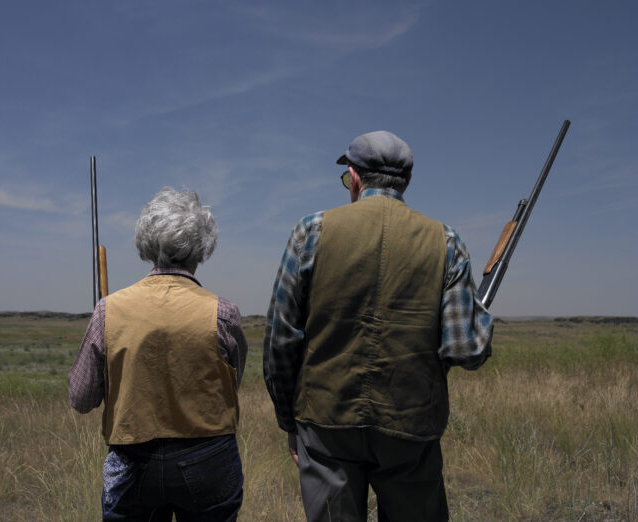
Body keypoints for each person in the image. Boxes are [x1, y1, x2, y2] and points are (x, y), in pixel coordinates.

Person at [263, 131, 493, 521]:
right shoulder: (447, 241)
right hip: (411, 427)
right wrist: (480, 311)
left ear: (354, 178)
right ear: (405, 181)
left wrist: (290, 422)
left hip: (324, 422)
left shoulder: (311, 231)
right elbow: (467, 350)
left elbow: (281, 340)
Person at [69, 187, 247, 521]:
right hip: (209, 458)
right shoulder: (224, 313)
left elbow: (81, 398)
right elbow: (231, 383)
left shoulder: (108, 311)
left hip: (132, 463)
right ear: (202, 247)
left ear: (147, 244)